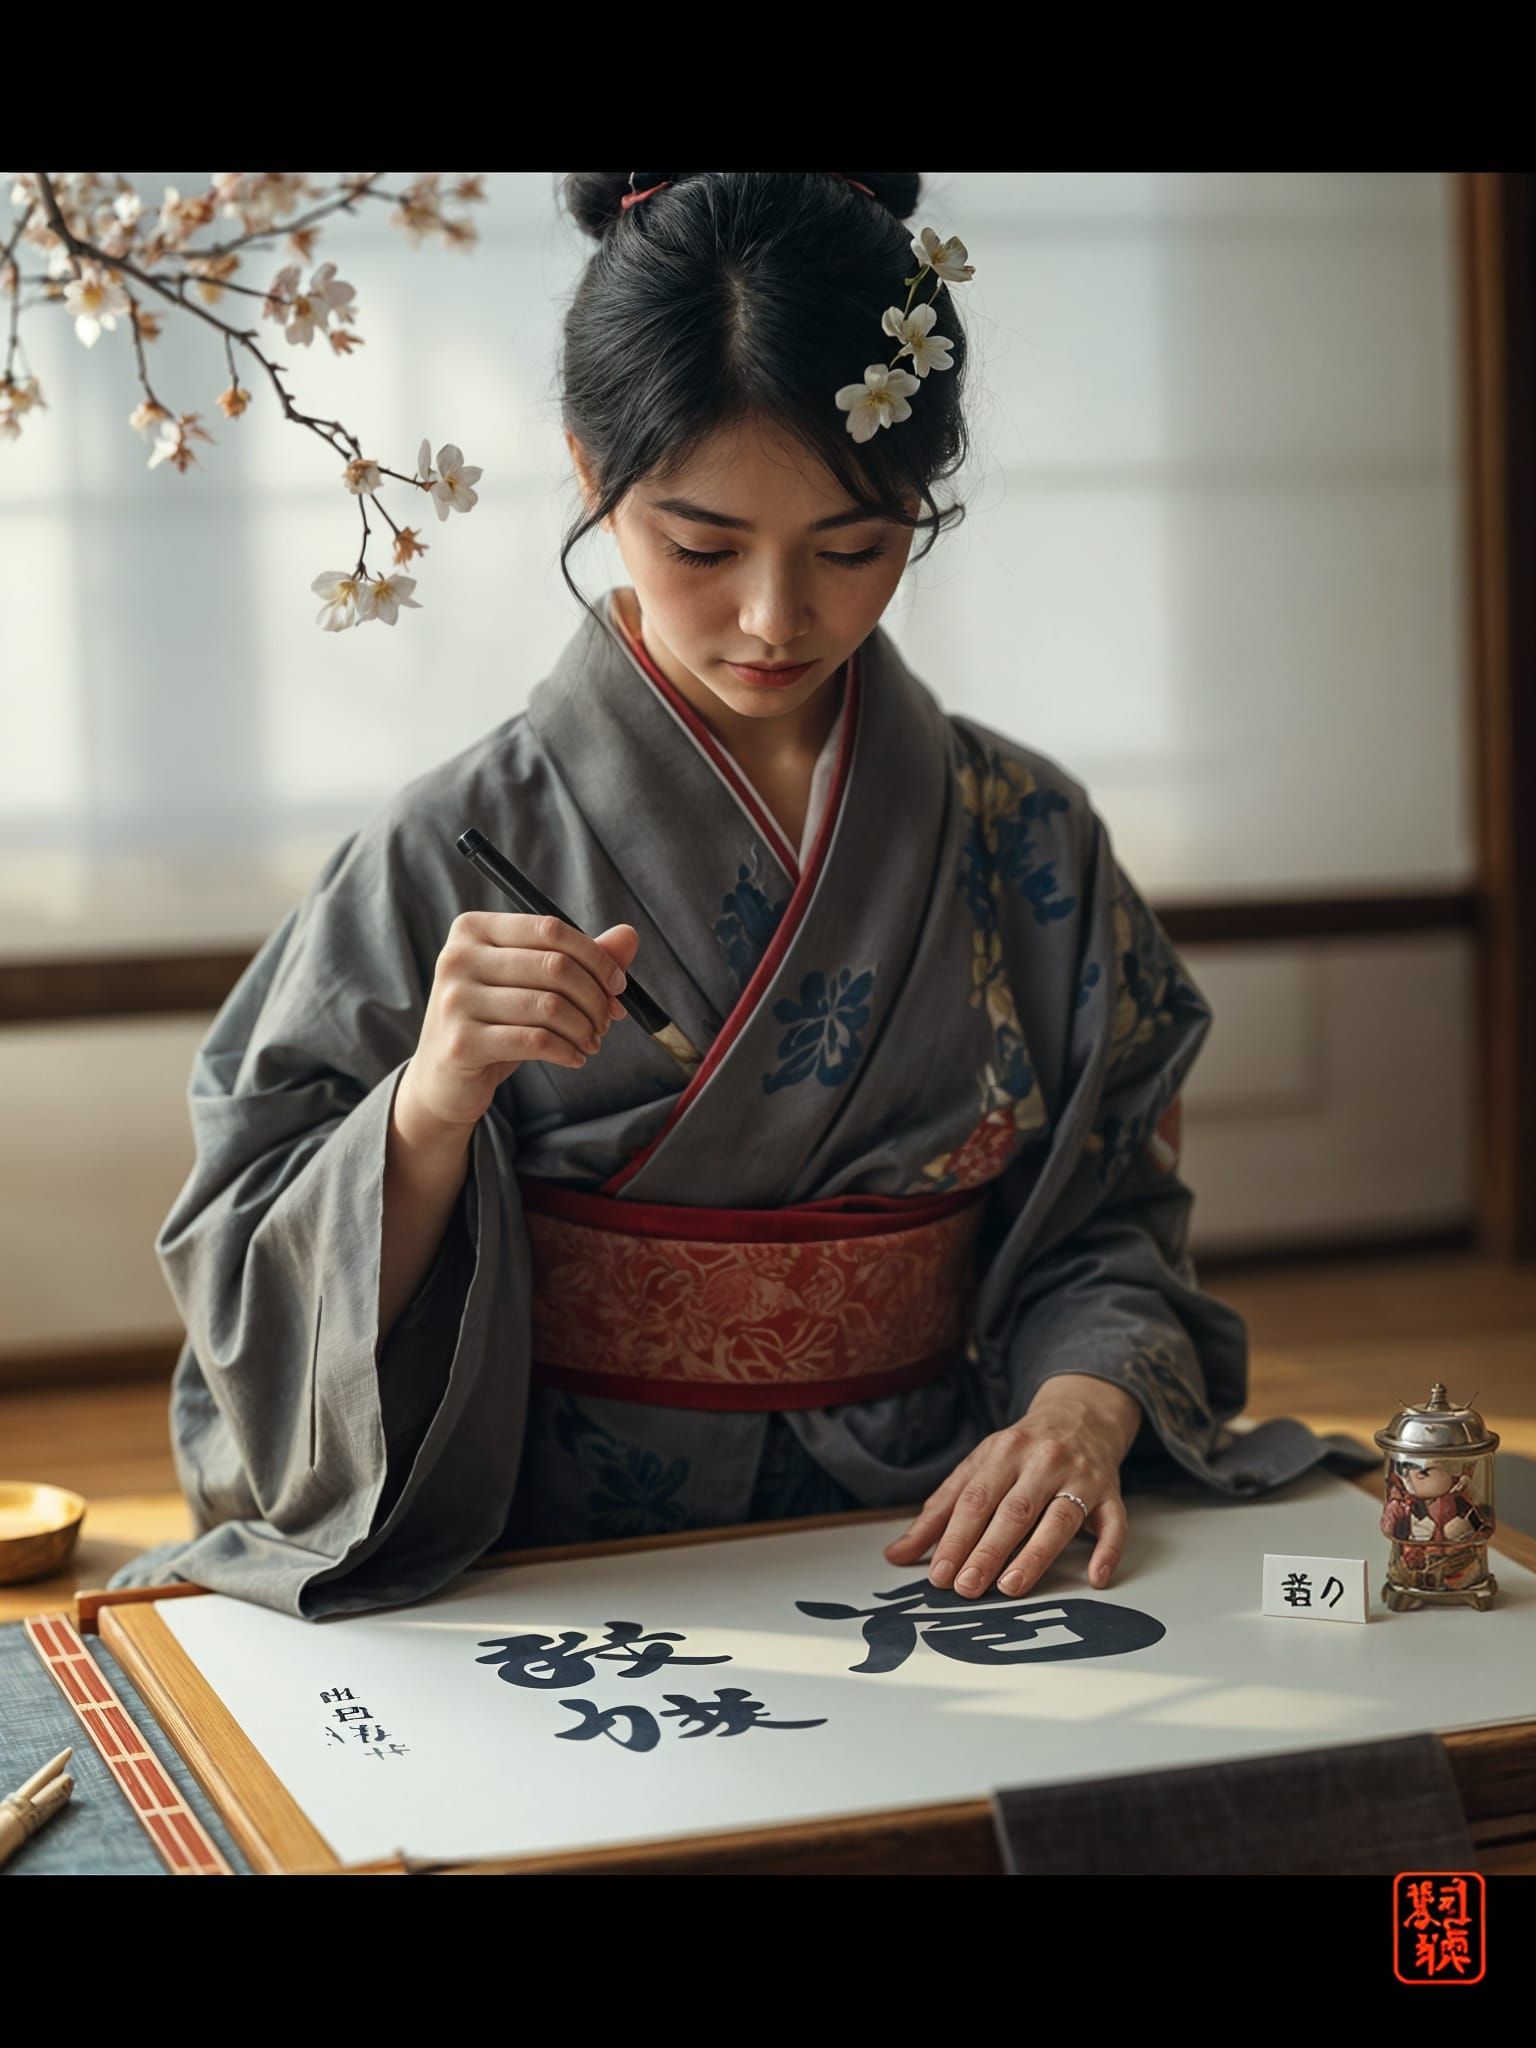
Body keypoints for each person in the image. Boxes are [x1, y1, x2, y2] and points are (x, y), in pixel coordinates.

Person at [110, 170, 1374, 1620]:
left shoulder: (1026, 833)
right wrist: (426, 1110)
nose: (780, 619)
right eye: (702, 547)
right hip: (543, 1551)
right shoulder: (445, 847)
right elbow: (247, 1284)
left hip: (945, 1529)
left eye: (856, 547)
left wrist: (1082, 1411)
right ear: (592, 474)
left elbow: (1112, 1220)